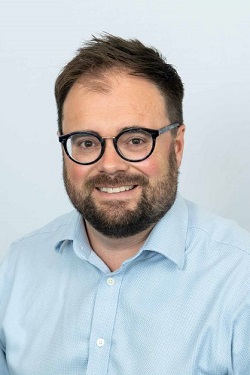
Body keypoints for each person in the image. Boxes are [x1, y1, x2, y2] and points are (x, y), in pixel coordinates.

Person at [1, 34, 250, 375]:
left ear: (176, 147)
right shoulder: (17, 267)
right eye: (86, 142)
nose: (110, 165)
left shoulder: (240, 280)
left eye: (135, 140)